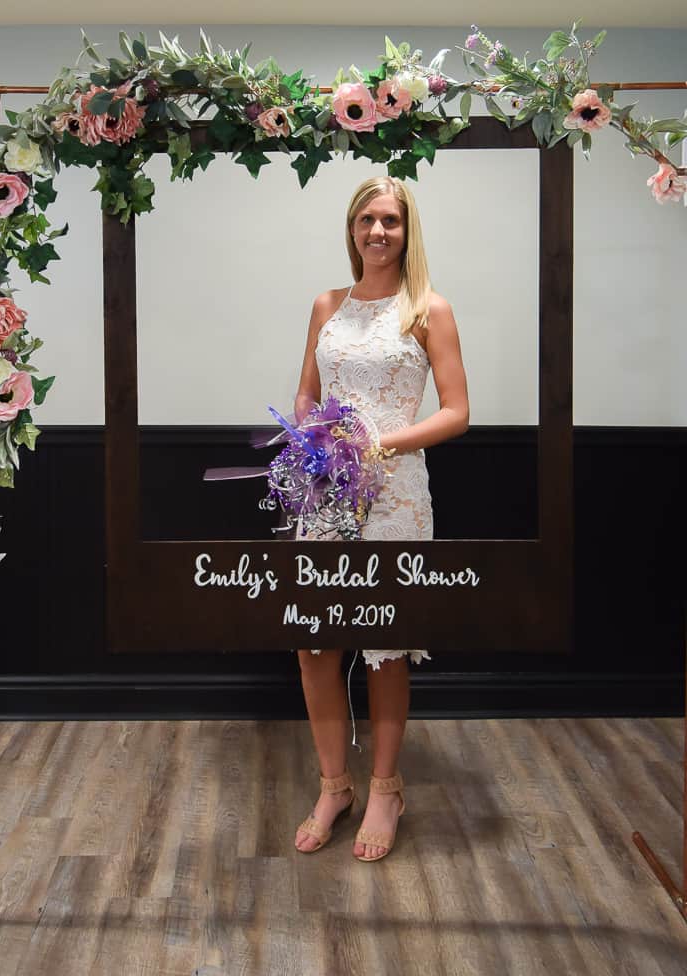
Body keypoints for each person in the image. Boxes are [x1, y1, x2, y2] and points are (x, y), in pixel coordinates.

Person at [293, 175, 469, 861]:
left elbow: (456, 411)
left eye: (390, 221)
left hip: (396, 494)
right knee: (313, 642)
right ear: (352, 227)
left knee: (384, 643)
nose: (378, 232)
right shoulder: (326, 305)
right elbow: (307, 392)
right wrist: (314, 440)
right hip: (325, 492)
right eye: (367, 219)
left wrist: (374, 444)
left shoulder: (428, 309)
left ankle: (386, 787)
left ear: (407, 230)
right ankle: (334, 786)